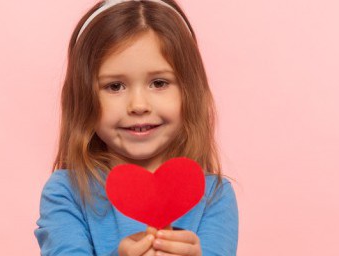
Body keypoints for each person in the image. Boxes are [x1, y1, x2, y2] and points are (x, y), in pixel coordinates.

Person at [34, 0, 238, 255]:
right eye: (115, 86)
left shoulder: (215, 196)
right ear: (84, 98)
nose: (138, 105)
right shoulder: (66, 192)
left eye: (159, 83)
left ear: (190, 91)